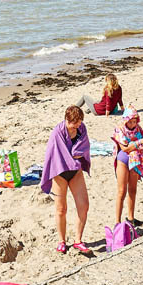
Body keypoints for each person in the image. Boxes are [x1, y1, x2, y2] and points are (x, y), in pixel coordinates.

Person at [41, 106, 91, 255]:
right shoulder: (57, 132)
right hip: (60, 173)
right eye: (73, 123)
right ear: (67, 120)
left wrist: (75, 154)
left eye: (78, 122)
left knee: (84, 206)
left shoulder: (82, 129)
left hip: (75, 172)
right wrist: (73, 156)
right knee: (61, 209)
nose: (76, 126)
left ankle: (78, 240)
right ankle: (61, 241)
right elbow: (54, 154)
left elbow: (84, 148)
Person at [112, 108, 143, 226]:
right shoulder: (120, 129)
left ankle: (131, 217)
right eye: (130, 121)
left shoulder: (138, 129)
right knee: (121, 191)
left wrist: (138, 144)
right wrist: (137, 143)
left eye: (134, 121)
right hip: (123, 159)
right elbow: (125, 148)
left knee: (133, 189)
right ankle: (117, 221)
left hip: (135, 160)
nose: (132, 124)